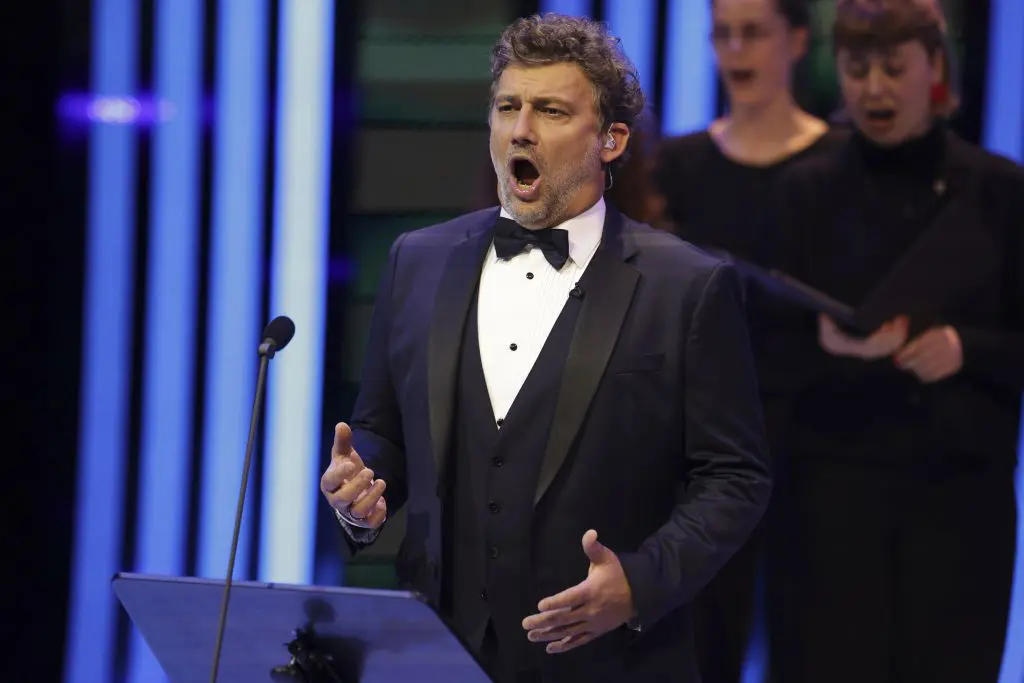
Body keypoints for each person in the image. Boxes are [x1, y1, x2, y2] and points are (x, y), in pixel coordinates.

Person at [318, 13, 772, 683]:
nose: (521, 129)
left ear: (611, 139)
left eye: (551, 110)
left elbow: (735, 477)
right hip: (439, 653)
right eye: (508, 107)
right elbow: (382, 431)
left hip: (609, 663)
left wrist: (639, 583)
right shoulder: (417, 260)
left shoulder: (687, 285)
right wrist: (360, 488)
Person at [767, 1, 1024, 681]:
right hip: (833, 493)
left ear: (935, 66)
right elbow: (762, 345)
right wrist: (830, 346)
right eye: (857, 69)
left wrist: (965, 349)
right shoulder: (804, 190)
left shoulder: (1000, 190)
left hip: (960, 497)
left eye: (892, 68)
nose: (873, 88)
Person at [651, 1, 843, 680]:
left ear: (798, 40)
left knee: (816, 633)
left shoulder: (842, 164)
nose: (736, 50)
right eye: (723, 34)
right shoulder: (677, 165)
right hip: (705, 436)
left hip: (823, 433)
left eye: (754, 33)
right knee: (704, 635)